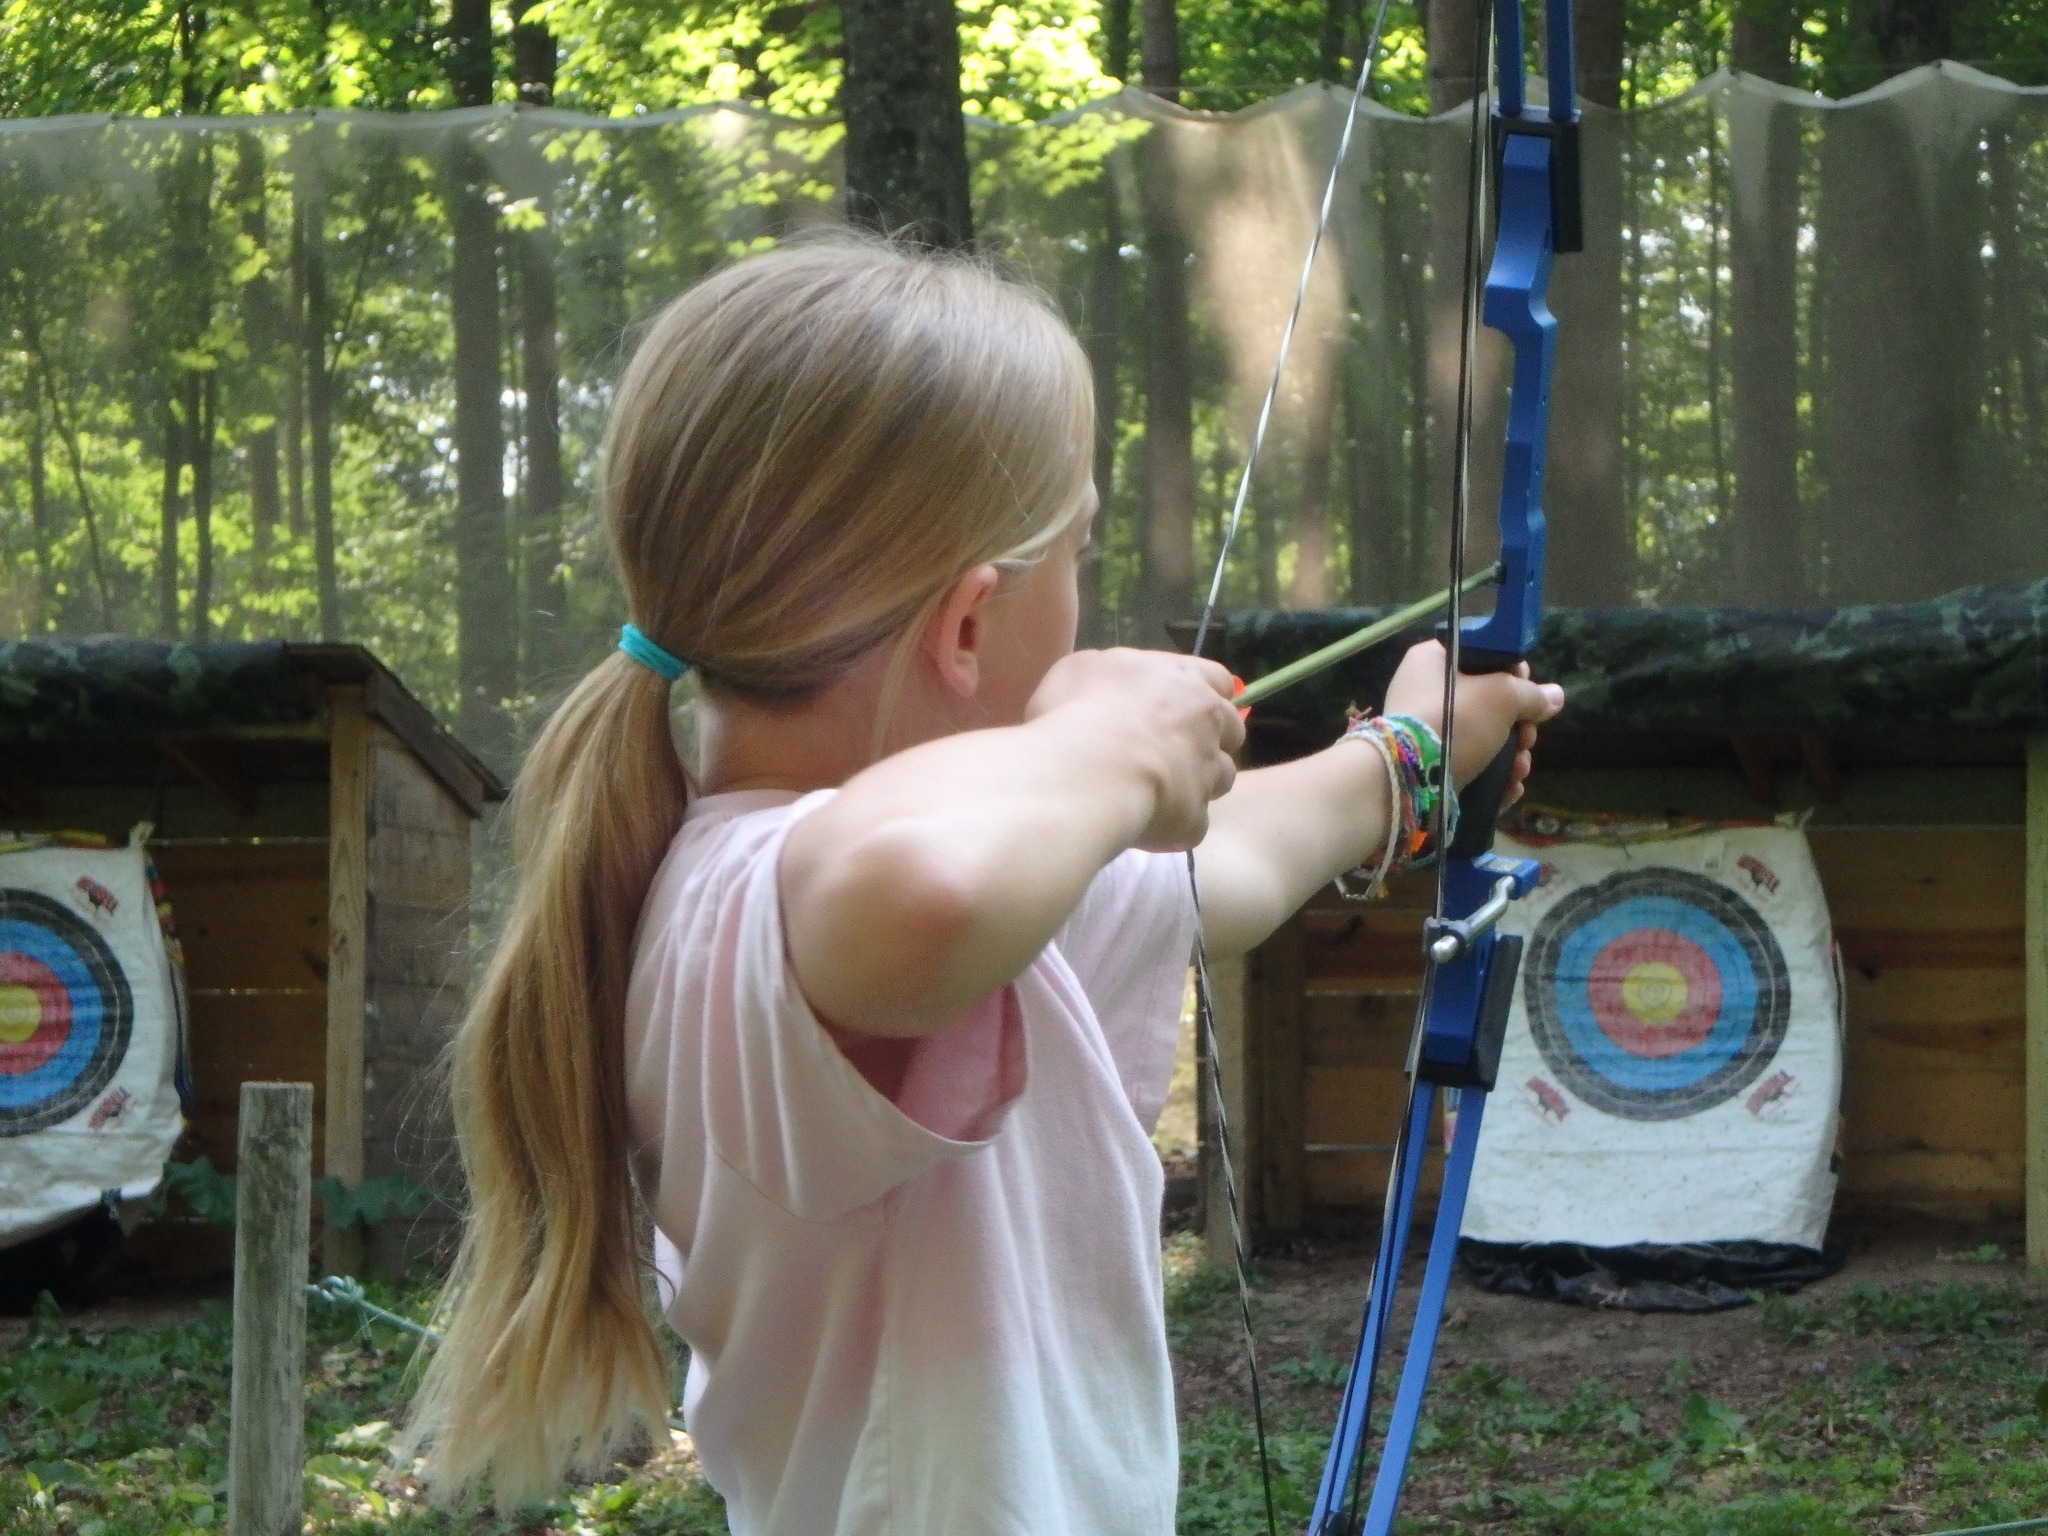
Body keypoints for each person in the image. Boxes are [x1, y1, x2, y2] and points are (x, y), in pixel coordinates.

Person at [399, 234, 1564, 1535]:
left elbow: (1227, 863)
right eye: (1075, 555)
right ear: (965, 625)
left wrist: (1409, 753)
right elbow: (921, 883)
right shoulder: (749, 904)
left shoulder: (999, 879)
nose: (1086, 605)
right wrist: (1102, 745)